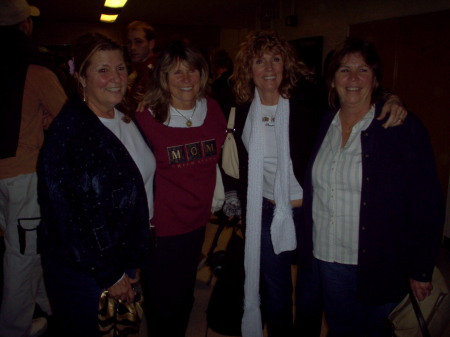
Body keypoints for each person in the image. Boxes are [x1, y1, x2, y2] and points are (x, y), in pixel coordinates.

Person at [228, 30, 408, 337]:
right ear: (249, 69)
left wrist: (389, 97)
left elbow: (351, 88)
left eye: (276, 59)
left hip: (311, 212)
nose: (269, 68)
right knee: (275, 289)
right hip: (266, 209)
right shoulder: (243, 108)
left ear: (286, 65)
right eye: (260, 61)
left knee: (311, 292)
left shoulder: (307, 99)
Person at [296, 37, 444, 337]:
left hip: (381, 259)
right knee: (342, 329)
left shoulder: (400, 127)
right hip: (328, 257)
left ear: (375, 79)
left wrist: (421, 267)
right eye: (344, 70)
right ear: (332, 79)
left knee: (379, 330)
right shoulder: (324, 123)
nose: (352, 78)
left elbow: (425, 201)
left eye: (362, 70)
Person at [37, 33, 155, 337]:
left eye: (120, 68)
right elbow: (71, 219)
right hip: (87, 271)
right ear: (81, 77)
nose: (116, 78)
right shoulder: (70, 133)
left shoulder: (123, 115)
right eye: (103, 70)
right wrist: (112, 273)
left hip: (119, 256)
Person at [135, 39, 226, 337]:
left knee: (185, 296)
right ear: (163, 78)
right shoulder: (146, 119)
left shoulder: (213, 110)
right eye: (176, 72)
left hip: (197, 224)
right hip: (160, 228)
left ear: (203, 74)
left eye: (192, 70)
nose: (186, 78)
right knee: (163, 303)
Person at [0, 0, 67, 336]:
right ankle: (14, 328)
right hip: (22, 175)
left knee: (27, 245)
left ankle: (47, 302)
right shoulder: (35, 69)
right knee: (22, 253)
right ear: (25, 25)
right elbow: (69, 118)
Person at [126, 20, 158, 111]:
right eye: (129, 42)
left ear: (151, 44)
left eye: (138, 42)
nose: (132, 47)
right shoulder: (140, 70)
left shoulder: (159, 69)